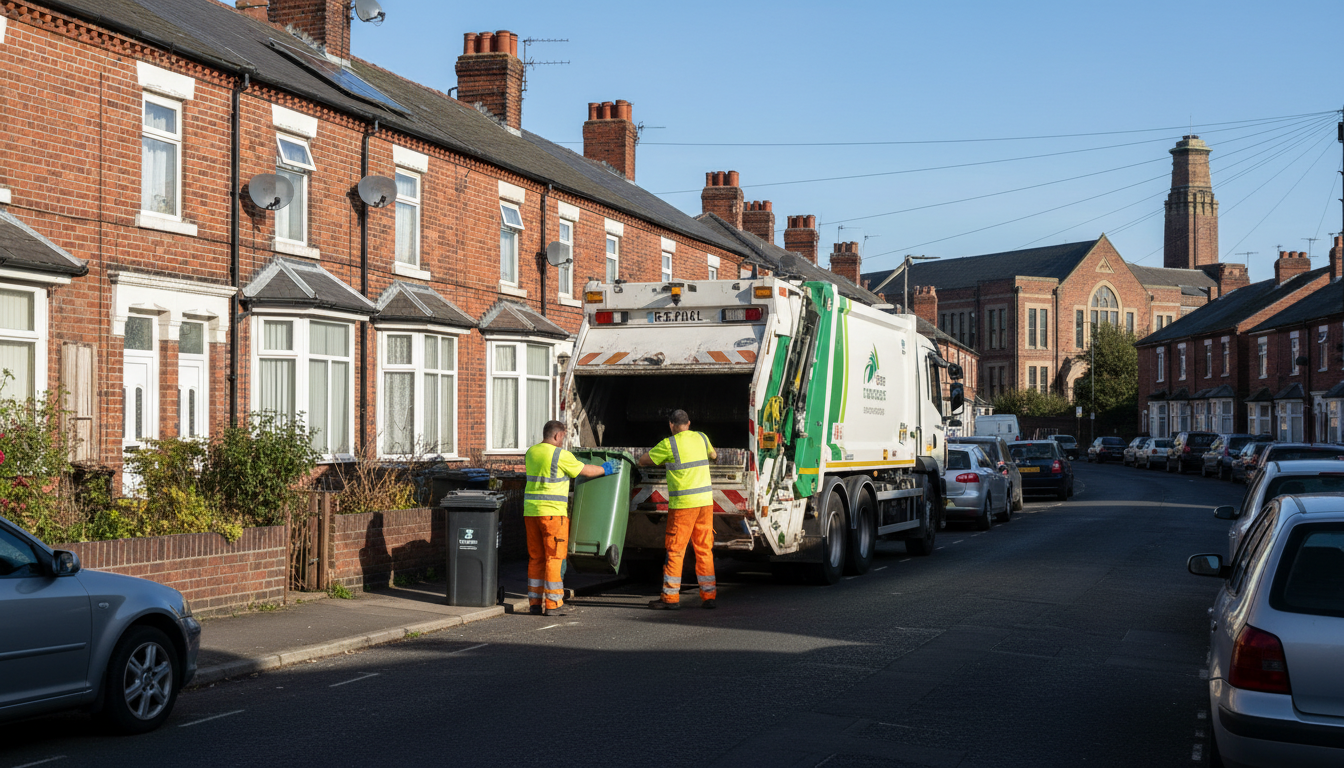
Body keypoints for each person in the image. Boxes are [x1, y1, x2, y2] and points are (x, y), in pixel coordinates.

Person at [524, 420, 613, 616]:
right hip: (553, 515)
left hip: (531, 513)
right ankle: (554, 604)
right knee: (554, 557)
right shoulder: (559, 455)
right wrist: (605, 469)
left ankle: (535, 603)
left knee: (536, 558)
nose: (563, 440)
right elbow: (584, 470)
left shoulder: (531, 452)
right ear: (557, 436)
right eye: (563, 436)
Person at [639, 409, 717, 610]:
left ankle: (670, 598)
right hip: (705, 502)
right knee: (704, 548)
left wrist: (666, 459)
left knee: (676, 549)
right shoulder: (701, 437)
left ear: (671, 425)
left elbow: (643, 461)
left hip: (684, 505)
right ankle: (709, 595)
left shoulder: (669, 444)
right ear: (689, 423)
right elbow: (714, 455)